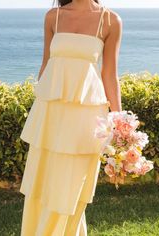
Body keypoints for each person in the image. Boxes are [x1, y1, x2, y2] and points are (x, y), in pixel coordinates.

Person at [19, 0, 122, 235]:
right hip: (51, 113)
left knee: (72, 186)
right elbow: (46, 65)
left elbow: (109, 74)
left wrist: (119, 123)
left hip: (87, 117)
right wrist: (40, 108)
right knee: (44, 184)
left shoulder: (110, 20)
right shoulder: (53, 17)